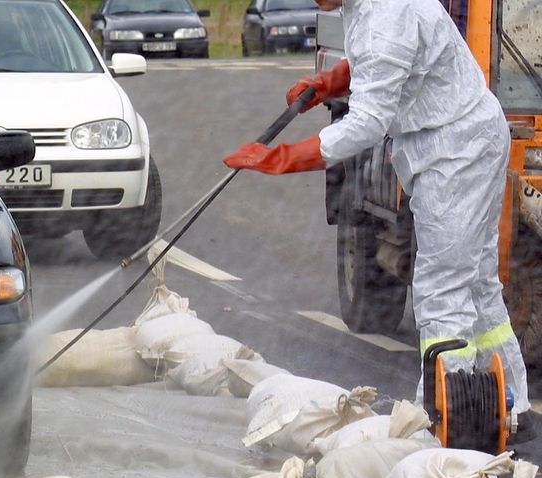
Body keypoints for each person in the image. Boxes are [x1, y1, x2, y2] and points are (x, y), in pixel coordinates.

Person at [222, 0, 533, 439]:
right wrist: (334, 80)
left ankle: (446, 418)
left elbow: (367, 124)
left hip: (455, 150)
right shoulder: (374, 7)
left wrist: (281, 157)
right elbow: (393, 54)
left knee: (441, 288)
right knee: (476, 282)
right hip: (459, 140)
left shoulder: (387, 18)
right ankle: (510, 404)